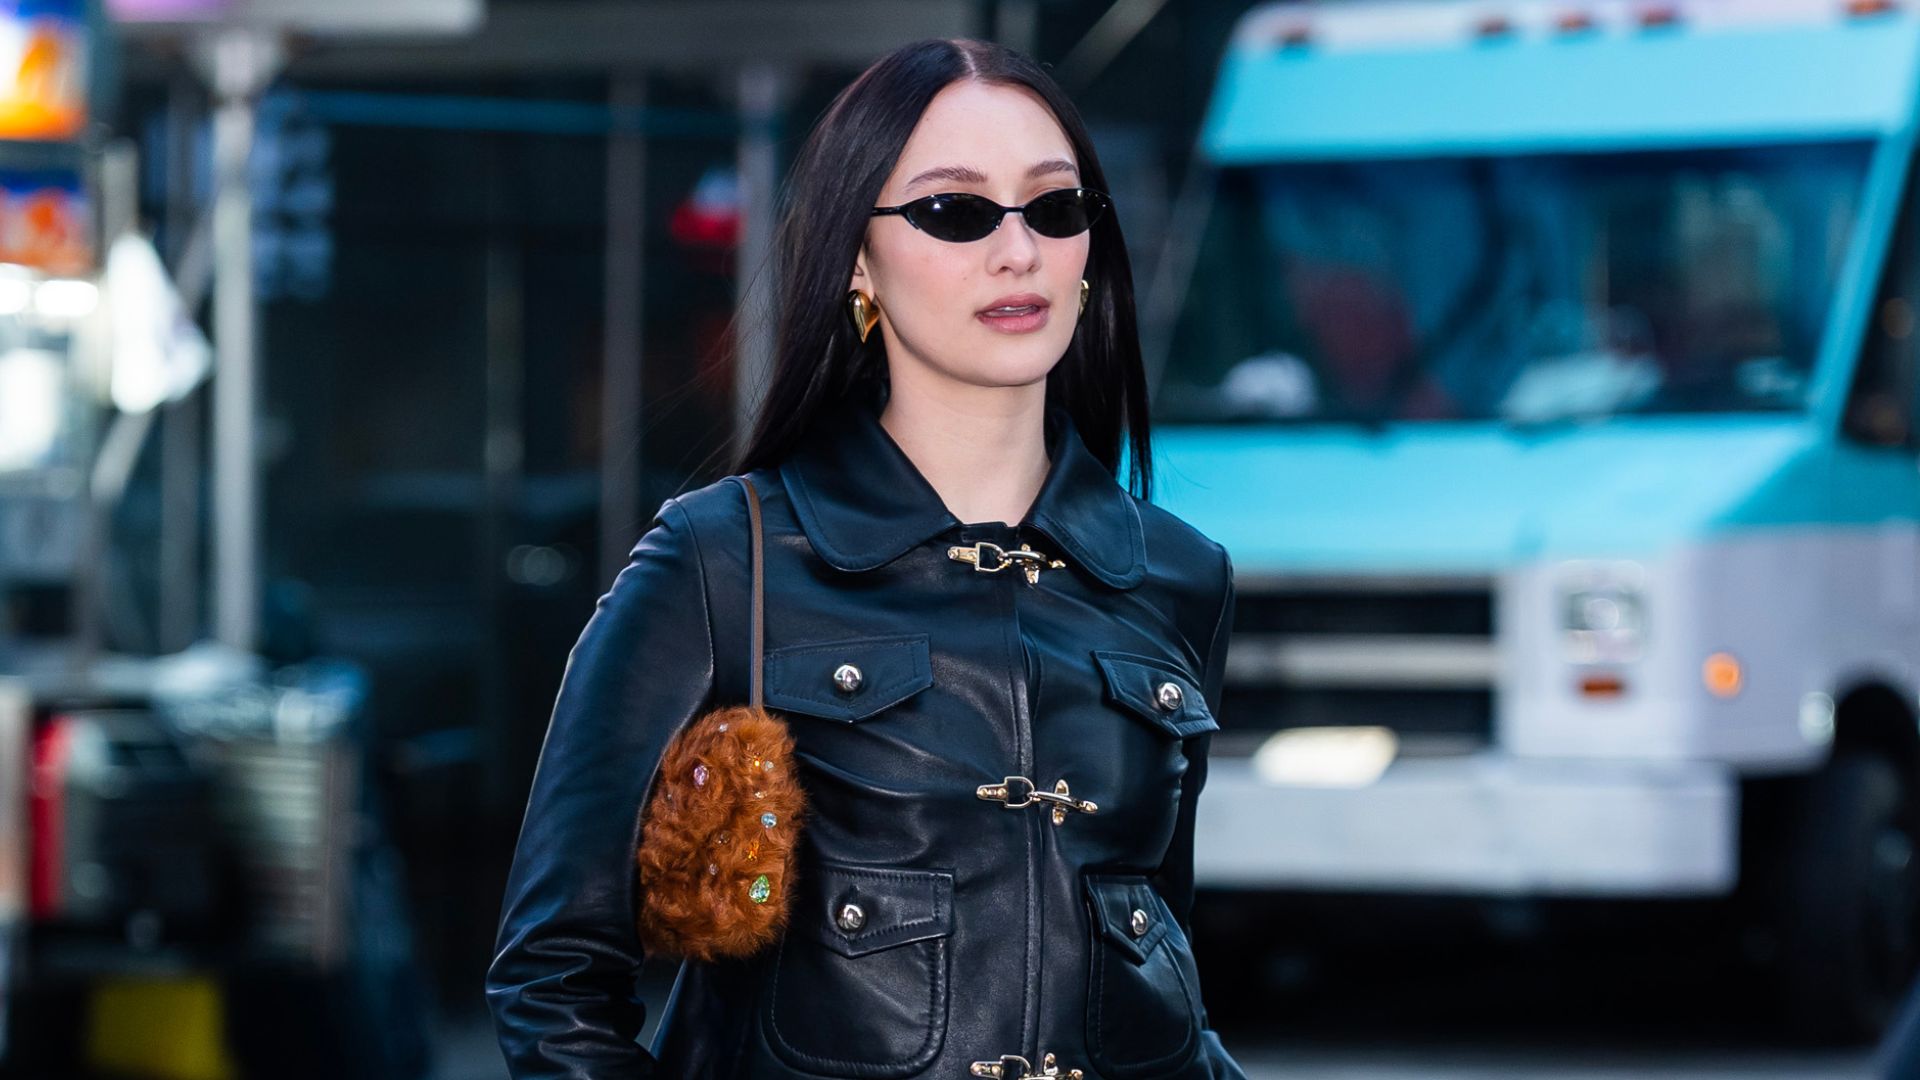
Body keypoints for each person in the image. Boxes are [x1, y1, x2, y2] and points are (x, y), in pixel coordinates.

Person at [485, 37, 1248, 1080]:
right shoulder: (723, 561)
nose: (1017, 251)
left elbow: (1165, 958)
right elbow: (554, 980)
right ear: (857, 257)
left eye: (1054, 207)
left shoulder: (1179, 576)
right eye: (956, 211)